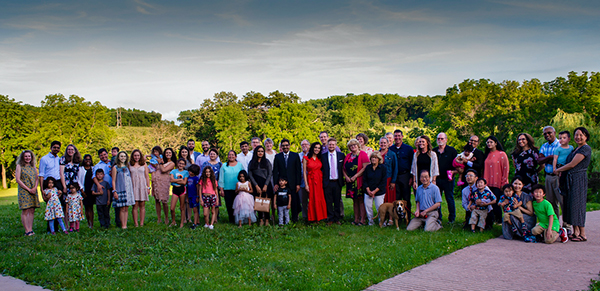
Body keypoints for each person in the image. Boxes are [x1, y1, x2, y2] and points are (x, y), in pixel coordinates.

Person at [555, 127, 591, 242]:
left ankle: (583, 233)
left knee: (578, 204)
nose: (578, 137)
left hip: (578, 179)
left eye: (581, 135)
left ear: (586, 136)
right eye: (576, 135)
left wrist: (558, 170)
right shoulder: (576, 149)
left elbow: (572, 164)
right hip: (570, 179)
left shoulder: (585, 149)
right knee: (571, 204)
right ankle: (575, 232)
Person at [272, 138, 302, 223]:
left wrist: (298, 183)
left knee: (294, 200)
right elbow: (275, 171)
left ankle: (295, 218)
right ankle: (283, 219)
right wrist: (276, 183)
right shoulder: (277, 156)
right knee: (282, 200)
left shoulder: (295, 155)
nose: (285, 147)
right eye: (283, 145)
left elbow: (298, 170)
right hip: (282, 183)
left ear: (289, 146)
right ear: (281, 146)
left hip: (293, 182)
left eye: (286, 145)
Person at [537, 126, 562, 222]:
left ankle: (566, 226)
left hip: (558, 176)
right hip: (548, 176)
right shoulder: (544, 146)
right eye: (545, 134)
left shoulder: (560, 145)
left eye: (549, 133)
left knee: (562, 201)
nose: (547, 135)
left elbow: (561, 161)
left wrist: (546, 158)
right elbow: (539, 161)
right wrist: (551, 157)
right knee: (551, 203)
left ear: (554, 132)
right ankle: (555, 225)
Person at [483, 136, 509, 223]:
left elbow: (505, 169)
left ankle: (499, 220)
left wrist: (504, 182)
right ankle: (490, 219)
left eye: (491, 142)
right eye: (488, 142)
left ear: (496, 143)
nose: (489, 144)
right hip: (487, 182)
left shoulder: (502, 154)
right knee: (488, 201)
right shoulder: (487, 155)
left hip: (498, 182)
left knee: (497, 201)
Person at [343, 139, 369, 225]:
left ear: (358, 145)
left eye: (354, 145)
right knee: (354, 200)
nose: (353, 146)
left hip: (359, 180)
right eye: (351, 145)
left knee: (361, 200)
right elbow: (343, 168)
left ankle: (363, 220)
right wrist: (346, 177)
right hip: (350, 181)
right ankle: (356, 219)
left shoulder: (363, 154)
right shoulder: (348, 156)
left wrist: (355, 176)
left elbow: (365, 167)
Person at [433, 132, 457, 223]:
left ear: (446, 140)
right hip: (437, 179)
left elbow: (457, 166)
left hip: (448, 180)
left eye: (442, 138)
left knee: (449, 198)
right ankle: (438, 217)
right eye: (438, 139)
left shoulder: (452, 151)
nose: (440, 140)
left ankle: (452, 218)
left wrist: (453, 173)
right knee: (436, 200)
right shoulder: (434, 151)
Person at [389, 130, 414, 217]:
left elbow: (412, 164)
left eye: (399, 136)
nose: (397, 138)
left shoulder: (408, 149)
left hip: (405, 175)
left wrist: (411, 177)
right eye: (395, 136)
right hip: (395, 176)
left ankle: (408, 217)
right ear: (393, 138)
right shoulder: (391, 149)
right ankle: (397, 217)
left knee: (406, 198)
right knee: (396, 198)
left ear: (402, 136)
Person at [93, 148, 120, 227]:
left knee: (117, 206)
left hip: (114, 187)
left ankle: (118, 222)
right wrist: (98, 185)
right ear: (99, 156)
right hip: (104, 189)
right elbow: (94, 176)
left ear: (107, 154)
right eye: (101, 155)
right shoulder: (98, 165)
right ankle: (105, 224)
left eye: (105, 154)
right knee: (105, 207)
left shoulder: (113, 162)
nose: (103, 156)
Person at [38, 141, 62, 232]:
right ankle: (50, 228)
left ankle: (56, 228)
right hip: (48, 183)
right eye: (54, 147)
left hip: (57, 182)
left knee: (58, 205)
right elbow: (41, 174)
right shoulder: (44, 159)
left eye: (58, 147)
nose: (56, 149)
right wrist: (41, 189)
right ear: (51, 147)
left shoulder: (59, 159)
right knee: (50, 206)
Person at [321, 138, 345, 225]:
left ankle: (337, 218)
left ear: (336, 145)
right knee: (329, 201)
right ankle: (330, 218)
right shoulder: (323, 156)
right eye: (330, 144)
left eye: (333, 144)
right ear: (327, 145)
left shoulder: (341, 155)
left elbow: (343, 168)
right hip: (328, 182)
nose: (331, 146)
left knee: (337, 200)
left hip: (337, 181)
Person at [248, 145, 273, 225]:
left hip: (266, 184)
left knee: (266, 202)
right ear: (256, 152)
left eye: (262, 151)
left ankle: (267, 219)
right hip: (256, 184)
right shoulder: (252, 162)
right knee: (258, 202)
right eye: (259, 151)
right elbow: (250, 174)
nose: (260, 153)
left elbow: (270, 174)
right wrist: (256, 186)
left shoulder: (267, 162)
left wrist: (266, 185)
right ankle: (261, 219)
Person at [16, 150, 39, 236]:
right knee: (25, 210)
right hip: (24, 190)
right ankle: (27, 230)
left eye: (29, 156)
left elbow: (37, 178)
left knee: (32, 210)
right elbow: (18, 179)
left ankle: (30, 229)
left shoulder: (33, 166)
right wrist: (28, 189)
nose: (27, 158)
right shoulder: (19, 166)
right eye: (25, 156)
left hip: (33, 189)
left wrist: (35, 187)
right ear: (22, 157)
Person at [303, 142, 328, 223]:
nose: (317, 149)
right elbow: (304, 172)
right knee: (312, 198)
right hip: (311, 180)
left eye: (318, 148)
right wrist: (306, 185)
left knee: (320, 198)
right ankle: (312, 218)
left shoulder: (320, 159)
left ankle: (320, 217)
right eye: (315, 147)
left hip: (319, 181)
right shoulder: (306, 158)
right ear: (312, 148)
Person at [111, 151, 135, 229]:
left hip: (128, 189)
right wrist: (114, 191)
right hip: (120, 189)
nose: (123, 158)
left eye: (124, 156)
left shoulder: (127, 167)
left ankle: (125, 224)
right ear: (118, 157)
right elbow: (113, 180)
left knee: (126, 208)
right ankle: (123, 225)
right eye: (121, 156)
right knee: (122, 208)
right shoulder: (115, 168)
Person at [152, 147, 176, 225]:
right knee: (157, 200)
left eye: (169, 153)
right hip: (156, 181)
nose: (168, 154)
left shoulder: (172, 163)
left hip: (164, 182)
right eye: (166, 153)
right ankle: (159, 218)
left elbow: (163, 170)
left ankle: (166, 217)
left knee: (164, 201)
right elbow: (153, 168)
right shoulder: (160, 160)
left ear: (172, 154)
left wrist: (160, 163)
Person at [218, 150, 244, 224]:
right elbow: (221, 178)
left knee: (238, 204)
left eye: (233, 155)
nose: (231, 156)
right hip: (227, 189)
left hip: (238, 189)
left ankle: (238, 219)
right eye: (229, 155)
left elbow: (244, 175)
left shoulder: (240, 165)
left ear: (236, 156)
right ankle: (231, 219)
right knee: (229, 205)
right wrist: (221, 189)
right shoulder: (224, 166)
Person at [363, 151, 387, 226]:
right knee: (368, 206)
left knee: (379, 207)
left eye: (375, 158)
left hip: (379, 191)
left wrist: (374, 192)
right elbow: (364, 180)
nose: (373, 159)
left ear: (379, 159)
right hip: (368, 191)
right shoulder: (368, 168)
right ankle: (371, 222)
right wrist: (368, 190)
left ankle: (382, 222)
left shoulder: (383, 168)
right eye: (372, 157)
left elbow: (383, 182)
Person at [129, 149, 150, 227]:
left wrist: (148, 187)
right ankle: (136, 223)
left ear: (140, 156)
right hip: (133, 185)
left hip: (142, 185)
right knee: (135, 205)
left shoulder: (144, 164)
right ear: (132, 156)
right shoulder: (129, 164)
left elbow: (147, 176)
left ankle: (141, 223)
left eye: (138, 155)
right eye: (135, 155)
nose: (136, 157)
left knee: (142, 204)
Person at [170, 159, 189, 228]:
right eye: (180, 163)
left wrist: (175, 181)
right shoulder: (173, 171)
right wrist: (180, 180)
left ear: (184, 165)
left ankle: (182, 223)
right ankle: (173, 221)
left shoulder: (186, 172)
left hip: (182, 190)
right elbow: (171, 180)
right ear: (177, 163)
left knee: (182, 207)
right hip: (175, 189)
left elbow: (184, 182)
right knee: (172, 208)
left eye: (182, 164)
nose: (181, 165)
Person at [379, 137, 398, 206]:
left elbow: (395, 168)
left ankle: (390, 215)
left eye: (384, 143)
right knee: (380, 198)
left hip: (388, 179)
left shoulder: (392, 154)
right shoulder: (376, 154)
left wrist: (393, 181)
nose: (383, 144)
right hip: (379, 179)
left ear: (388, 144)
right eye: (381, 143)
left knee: (390, 198)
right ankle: (382, 214)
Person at [78, 154, 95, 228]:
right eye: (86, 159)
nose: (88, 161)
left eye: (89, 159)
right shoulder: (80, 169)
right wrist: (82, 191)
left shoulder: (93, 168)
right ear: (83, 160)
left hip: (91, 190)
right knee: (86, 207)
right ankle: (88, 223)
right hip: (84, 190)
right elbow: (78, 180)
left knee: (91, 208)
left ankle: (92, 223)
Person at [298, 139, 310, 222]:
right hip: (301, 180)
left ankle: (312, 216)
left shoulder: (312, 155)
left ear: (309, 145)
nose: (304, 146)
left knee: (312, 200)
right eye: (302, 145)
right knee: (303, 200)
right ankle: (305, 216)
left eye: (306, 144)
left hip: (311, 180)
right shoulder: (298, 155)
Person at [187, 164, 201, 229]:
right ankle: (197, 221)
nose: (190, 172)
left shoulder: (196, 178)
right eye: (189, 171)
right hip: (190, 195)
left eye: (191, 171)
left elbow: (198, 188)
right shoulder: (189, 178)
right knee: (193, 209)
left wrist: (198, 196)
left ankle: (195, 223)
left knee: (195, 210)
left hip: (195, 196)